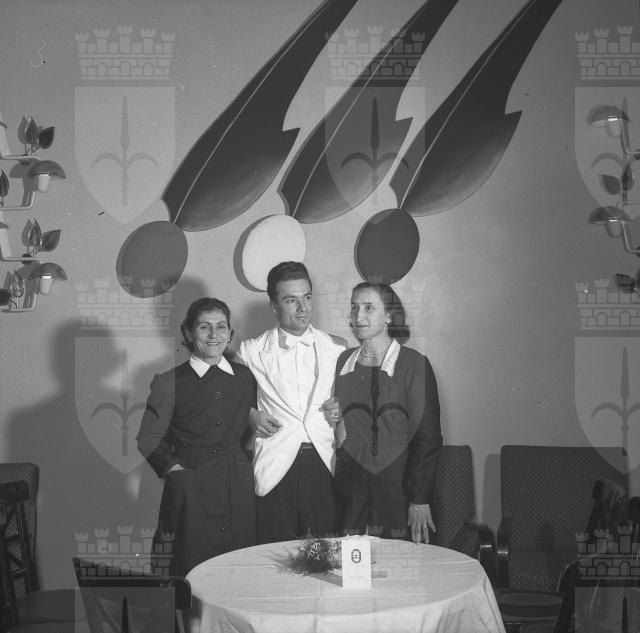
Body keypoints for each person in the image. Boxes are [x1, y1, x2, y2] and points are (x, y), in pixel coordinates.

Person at [137, 297, 257, 576]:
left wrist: (245, 459)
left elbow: (251, 425)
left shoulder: (245, 377)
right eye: (204, 327)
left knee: (238, 571)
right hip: (191, 486)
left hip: (237, 486)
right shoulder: (169, 382)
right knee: (190, 571)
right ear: (189, 333)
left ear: (230, 334)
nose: (214, 335)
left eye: (221, 326)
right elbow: (148, 438)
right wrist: (177, 473)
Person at [324, 282, 442, 543]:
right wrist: (335, 416)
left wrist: (419, 498)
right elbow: (346, 425)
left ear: (388, 315)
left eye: (369, 308)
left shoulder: (413, 364)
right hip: (352, 490)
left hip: (398, 489)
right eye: (355, 307)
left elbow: (428, 438)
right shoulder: (344, 361)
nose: (359, 316)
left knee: (399, 563)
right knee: (350, 563)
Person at [238, 261, 346, 543]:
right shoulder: (251, 351)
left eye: (307, 297)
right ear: (274, 306)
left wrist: (343, 408)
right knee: (273, 556)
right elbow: (226, 400)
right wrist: (250, 414)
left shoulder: (338, 348)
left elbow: (356, 406)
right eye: (291, 300)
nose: (302, 308)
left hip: (325, 462)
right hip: (275, 465)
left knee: (326, 555)